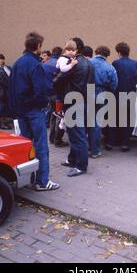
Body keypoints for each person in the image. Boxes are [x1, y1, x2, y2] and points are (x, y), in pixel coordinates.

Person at [9, 32, 60, 191]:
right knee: (40, 146)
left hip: (21, 110)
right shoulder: (34, 64)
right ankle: (42, 181)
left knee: (26, 145)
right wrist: (43, 104)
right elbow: (40, 90)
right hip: (33, 110)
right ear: (38, 46)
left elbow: (11, 88)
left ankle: (28, 177)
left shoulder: (17, 63)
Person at [54, 37, 95, 177]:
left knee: (77, 134)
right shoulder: (89, 64)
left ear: (76, 49)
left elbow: (58, 80)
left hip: (73, 102)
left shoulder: (74, 64)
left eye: (70, 47)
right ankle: (72, 160)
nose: (67, 50)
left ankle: (81, 165)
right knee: (74, 133)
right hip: (82, 101)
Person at [108, 42, 137, 152]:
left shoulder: (115, 63)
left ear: (119, 52)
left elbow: (113, 79)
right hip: (130, 94)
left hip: (117, 94)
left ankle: (111, 142)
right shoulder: (135, 63)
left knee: (114, 119)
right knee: (127, 120)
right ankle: (125, 143)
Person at [88, 46, 118, 158]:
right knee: (97, 123)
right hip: (102, 94)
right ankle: (95, 151)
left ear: (96, 52)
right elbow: (114, 84)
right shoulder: (110, 68)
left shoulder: (88, 63)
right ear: (107, 55)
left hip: (87, 93)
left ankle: (85, 147)